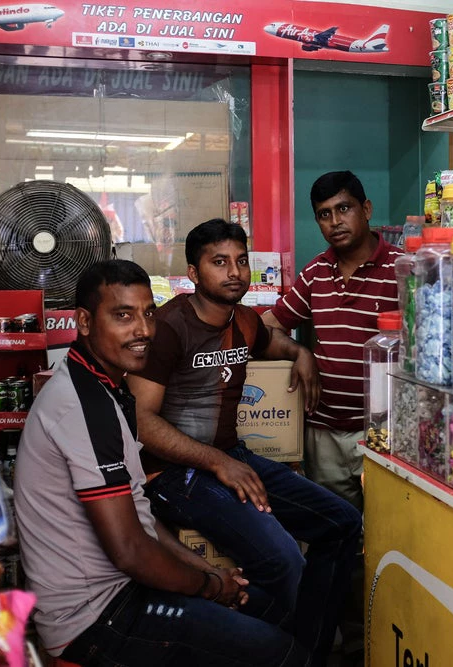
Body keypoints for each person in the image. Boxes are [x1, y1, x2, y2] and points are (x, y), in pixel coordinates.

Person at [14, 259, 307, 666]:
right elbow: (130, 551)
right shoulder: (83, 406)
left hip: (122, 592)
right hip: (96, 620)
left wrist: (205, 572)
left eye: (148, 313)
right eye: (123, 316)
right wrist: (208, 586)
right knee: (286, 654)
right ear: (83, 321)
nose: (144, 330)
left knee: (270, 609)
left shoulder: (104, 388)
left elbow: (140, 519)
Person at [126, 219, 362, 667]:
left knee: (343, 522)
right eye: (219, 262)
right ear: (194, 273)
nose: (234, 271)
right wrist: (218, 461)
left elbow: (275, 342)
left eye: (241, 260)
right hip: (172, 474)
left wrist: (302, 353)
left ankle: (305, 650)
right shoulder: (170, 328)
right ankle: (287, 652)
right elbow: (141, 421)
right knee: (287, 561)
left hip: (229, 458)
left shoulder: (245, 322)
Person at [261, 170, 402, 511]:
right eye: (324, 214)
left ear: (366, 209)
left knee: (389, 532)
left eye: (344, 209)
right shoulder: (316, 273)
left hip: (386, 432)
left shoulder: (403, 269)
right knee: (339, 531)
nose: (335, 221)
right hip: (324, 433)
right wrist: (300, 352)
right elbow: (267, 326)